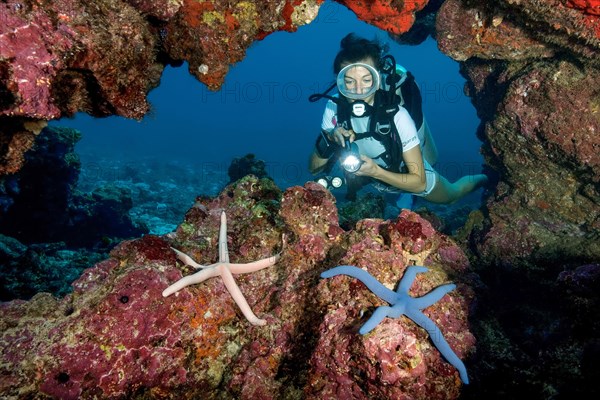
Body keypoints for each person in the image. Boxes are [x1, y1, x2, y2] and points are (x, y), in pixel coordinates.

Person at [308, 33, 488, 205]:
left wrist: (377, 172)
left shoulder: (398, 115)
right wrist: (329, 139)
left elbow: (419, 182)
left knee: (452, 195)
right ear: (339, 81)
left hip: (403, 171)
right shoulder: (333, 108)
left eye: (366, 80)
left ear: (378, 79)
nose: (358, 90)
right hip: (365, 173)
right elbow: (314, 168)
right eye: (349, 81)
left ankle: (486, 178)